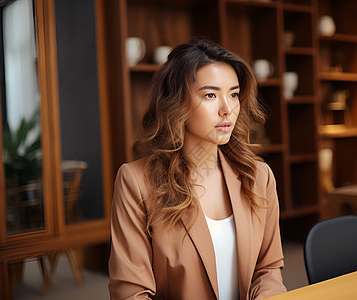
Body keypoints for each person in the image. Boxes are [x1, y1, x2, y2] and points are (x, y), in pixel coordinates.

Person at [108, 38, 287, 300]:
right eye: (210, 95)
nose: (227, 109)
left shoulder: (258, 177)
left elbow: (267, 269)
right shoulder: (135, 181)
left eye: (234, 94)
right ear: (175, 102)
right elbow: (131, 292)